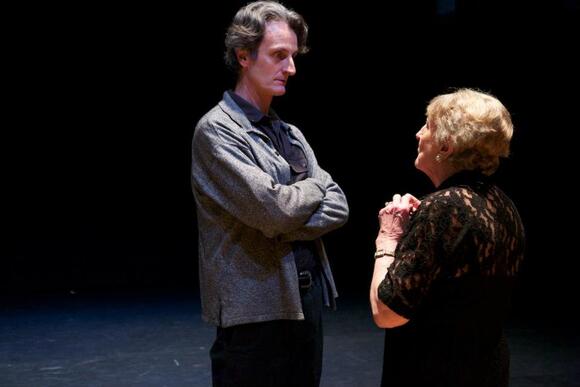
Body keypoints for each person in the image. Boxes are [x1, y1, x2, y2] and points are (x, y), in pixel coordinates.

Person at [191, 2, 349, 386]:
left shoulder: (291, 133)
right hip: (254, 310)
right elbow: (273, 212)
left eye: (293, 57)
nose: (291, 69)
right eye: (280, 56)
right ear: (243, 55)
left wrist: (285, 206)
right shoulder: (217, 131)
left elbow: (339, 205)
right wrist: (311, 189)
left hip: (306, 301)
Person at [369, 88, 525, 386]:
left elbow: (386, 312)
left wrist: (388, 237)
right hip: (486, 371)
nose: (418, 134)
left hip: (435, 372)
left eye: (427, 126)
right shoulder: (503, 205)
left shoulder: (443, 208)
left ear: (446, 147)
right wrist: (426, 222)